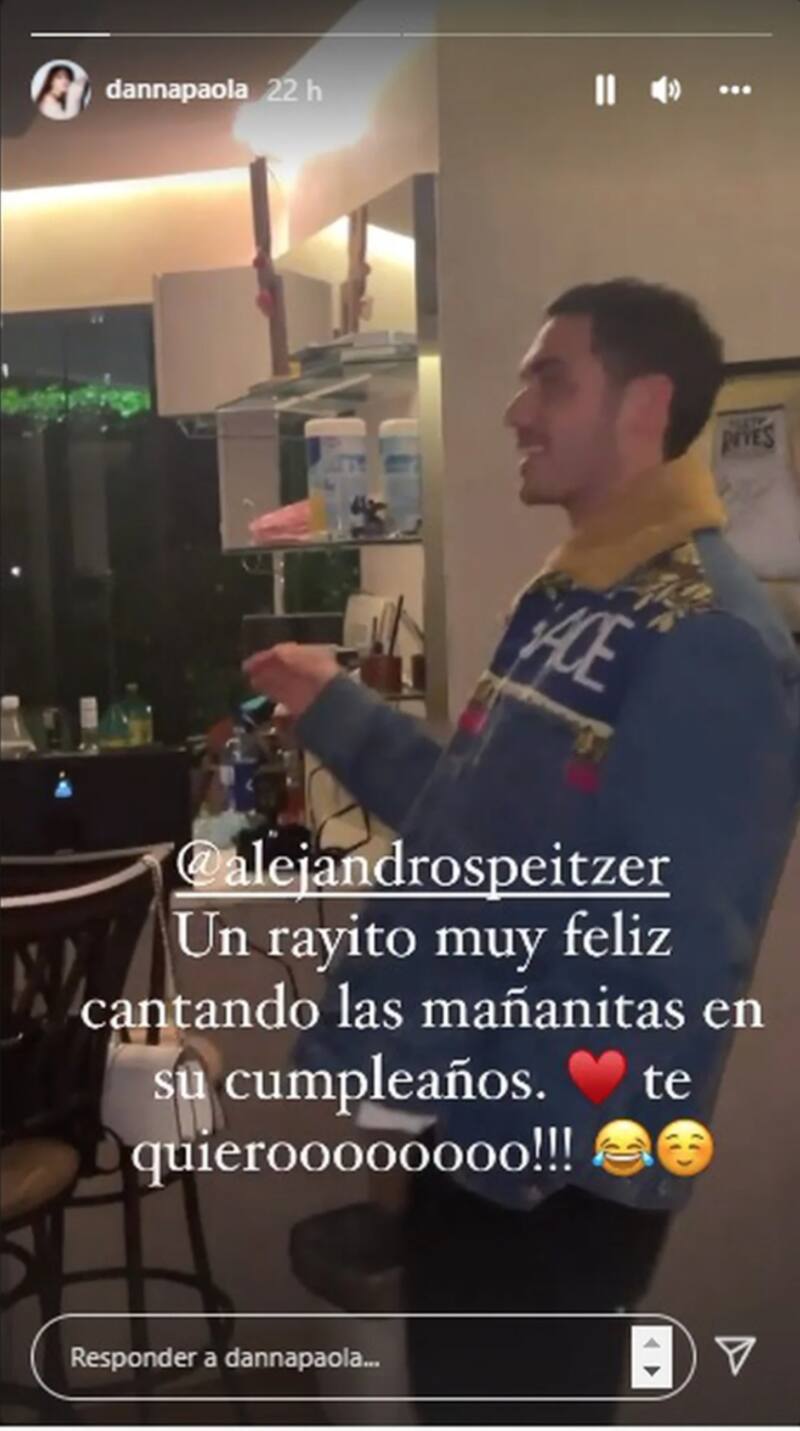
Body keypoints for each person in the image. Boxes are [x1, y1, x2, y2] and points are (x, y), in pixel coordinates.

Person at [244, 278, 800, 1421]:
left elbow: (672, 950)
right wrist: (335, 707)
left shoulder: (710, 635)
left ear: (642, 406)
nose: (514, 411)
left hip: (548, 1167)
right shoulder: (574, 601)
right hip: (477, 1136)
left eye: (551, 379)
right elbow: (466, 826)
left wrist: (510, 1143)